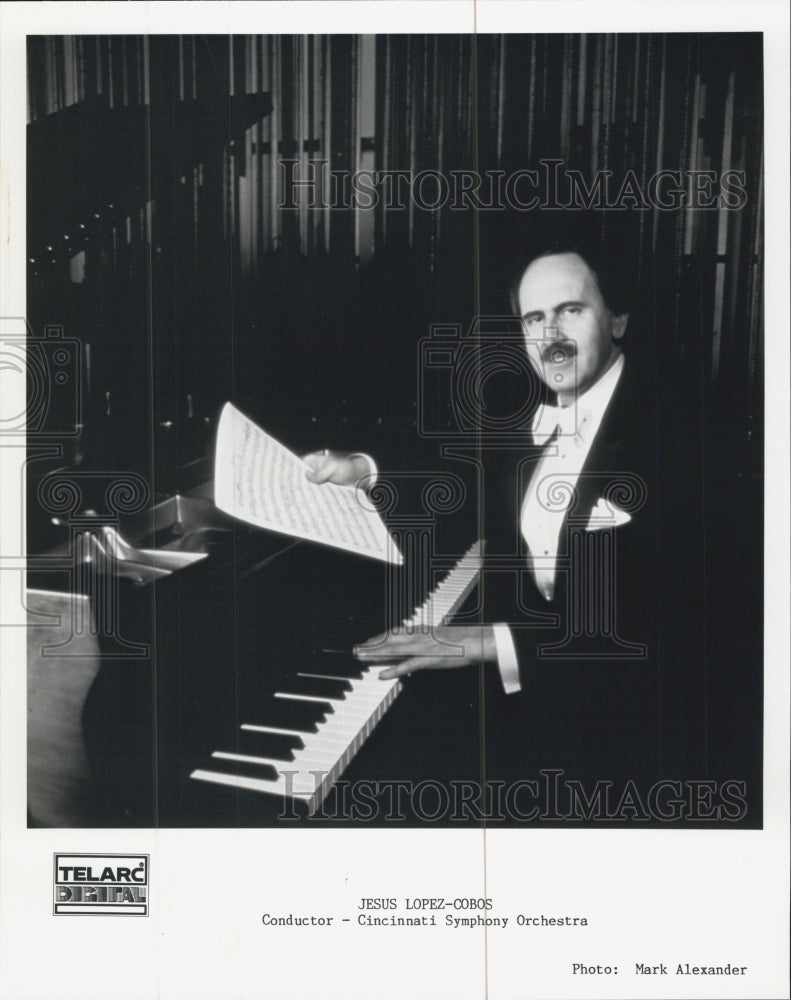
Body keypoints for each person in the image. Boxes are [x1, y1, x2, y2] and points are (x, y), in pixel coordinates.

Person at [303, 232, 752, 810]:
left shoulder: (686, 438)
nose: (551, 337)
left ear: (617, 319)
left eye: (571, 310)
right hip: (542, 708)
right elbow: (461, 485)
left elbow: (686, 636)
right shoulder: (532, 416)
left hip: (636, 750)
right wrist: (362, 469)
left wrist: (492, 641)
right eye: (533, 318)